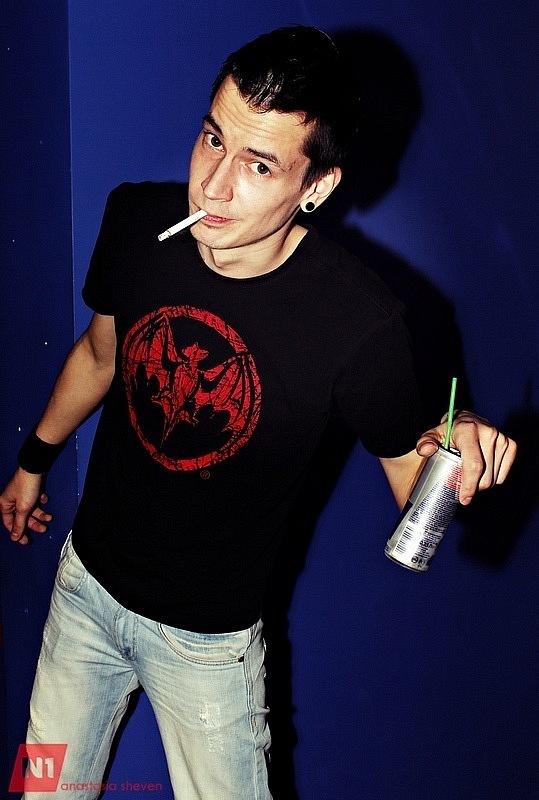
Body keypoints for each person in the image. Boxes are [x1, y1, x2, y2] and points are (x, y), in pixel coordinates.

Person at [0, 25, 516, 800]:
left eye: (258, 163)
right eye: (213, 138)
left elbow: (412, 488)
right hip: (83, 593)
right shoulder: (137, 221)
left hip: (207, 649)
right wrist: (31, 464)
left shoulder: (358, 322)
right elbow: (100, 357)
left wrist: (456, 448)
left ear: (316, 188)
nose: (211, 188)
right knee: (39, 787)